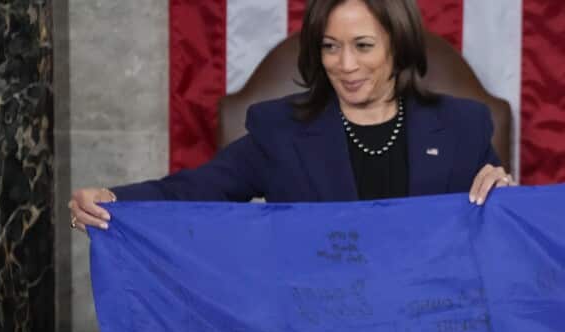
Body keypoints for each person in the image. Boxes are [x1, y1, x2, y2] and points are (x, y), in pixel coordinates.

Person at [67, 0, 511, 232]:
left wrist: (506, 198)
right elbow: (195, 190)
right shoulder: (280, 131)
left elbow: (503, 231)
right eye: (330, 46)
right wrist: (114, 199)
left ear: (398, 46)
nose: (345, 64)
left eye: (363, 45)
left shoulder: (462, 127)